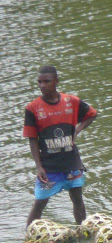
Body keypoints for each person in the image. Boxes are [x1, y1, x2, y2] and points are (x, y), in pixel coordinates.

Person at [23, 66, 98, 228]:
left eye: (47, 81)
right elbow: (32, 139)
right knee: (40, 202)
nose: (42, 85)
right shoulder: (32, 108)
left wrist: (77, 130)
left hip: (71, 162)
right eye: (40, 82)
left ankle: (81, 231)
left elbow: (92, 114)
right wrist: (39, 166)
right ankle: (28, 235)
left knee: (78, 199)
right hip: (49, 165)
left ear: (56, 82)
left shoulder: (72, 101)